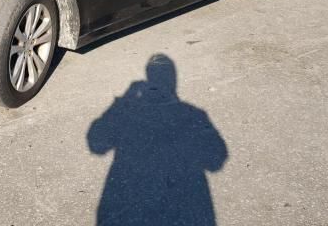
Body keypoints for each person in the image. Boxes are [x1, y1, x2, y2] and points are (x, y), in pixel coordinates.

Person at [88, 54, 228, 225]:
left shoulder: (128, 112)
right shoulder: (194, 114)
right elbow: (216, 160)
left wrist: (123, 101)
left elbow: (96, 143)